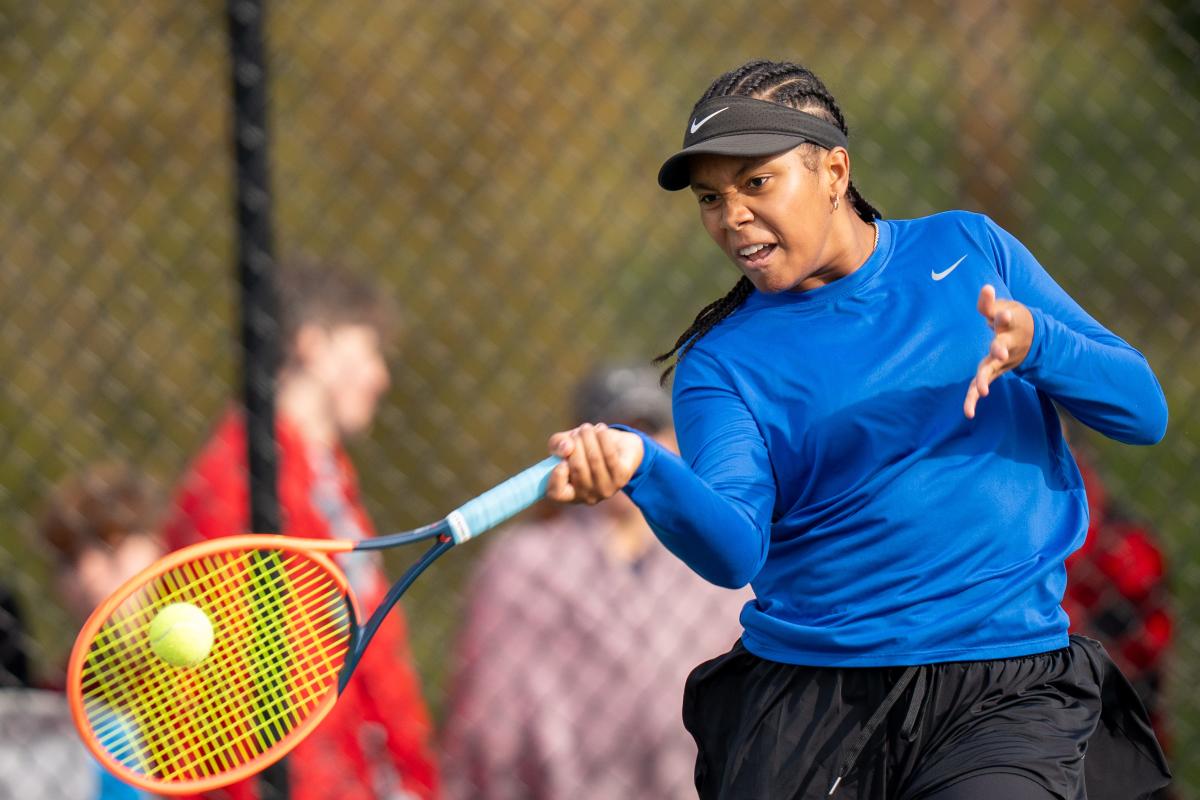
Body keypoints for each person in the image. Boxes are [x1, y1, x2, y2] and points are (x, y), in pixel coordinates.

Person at [543, 60, 1171, 800]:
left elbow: (1143, 411)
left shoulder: (969, 250)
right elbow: (735, 545)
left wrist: (1041, 347)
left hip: (1005, 688)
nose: (731, 215)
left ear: (834, 171)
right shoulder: (721, 364)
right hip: (815, 704)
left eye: (756, 183)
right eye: (711, 198)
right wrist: (644, 466)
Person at [163, 261, 438, 800]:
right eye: (368, 352)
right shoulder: (240, 482)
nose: (380, 376)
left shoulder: (325, 475)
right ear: (312, 345)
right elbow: (237, 702)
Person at [440, 364, 748, 800]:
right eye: (608, 436)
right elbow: (487, 726)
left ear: (674, 444)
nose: (620, 454)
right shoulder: (524, 562)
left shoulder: (718, 562)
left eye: (648, 432)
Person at [34, 461, 166, 800]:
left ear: (158, 544)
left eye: (111, 546)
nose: (88, 575)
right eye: (69, 560)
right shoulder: (56, 700)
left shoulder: (228, 668)